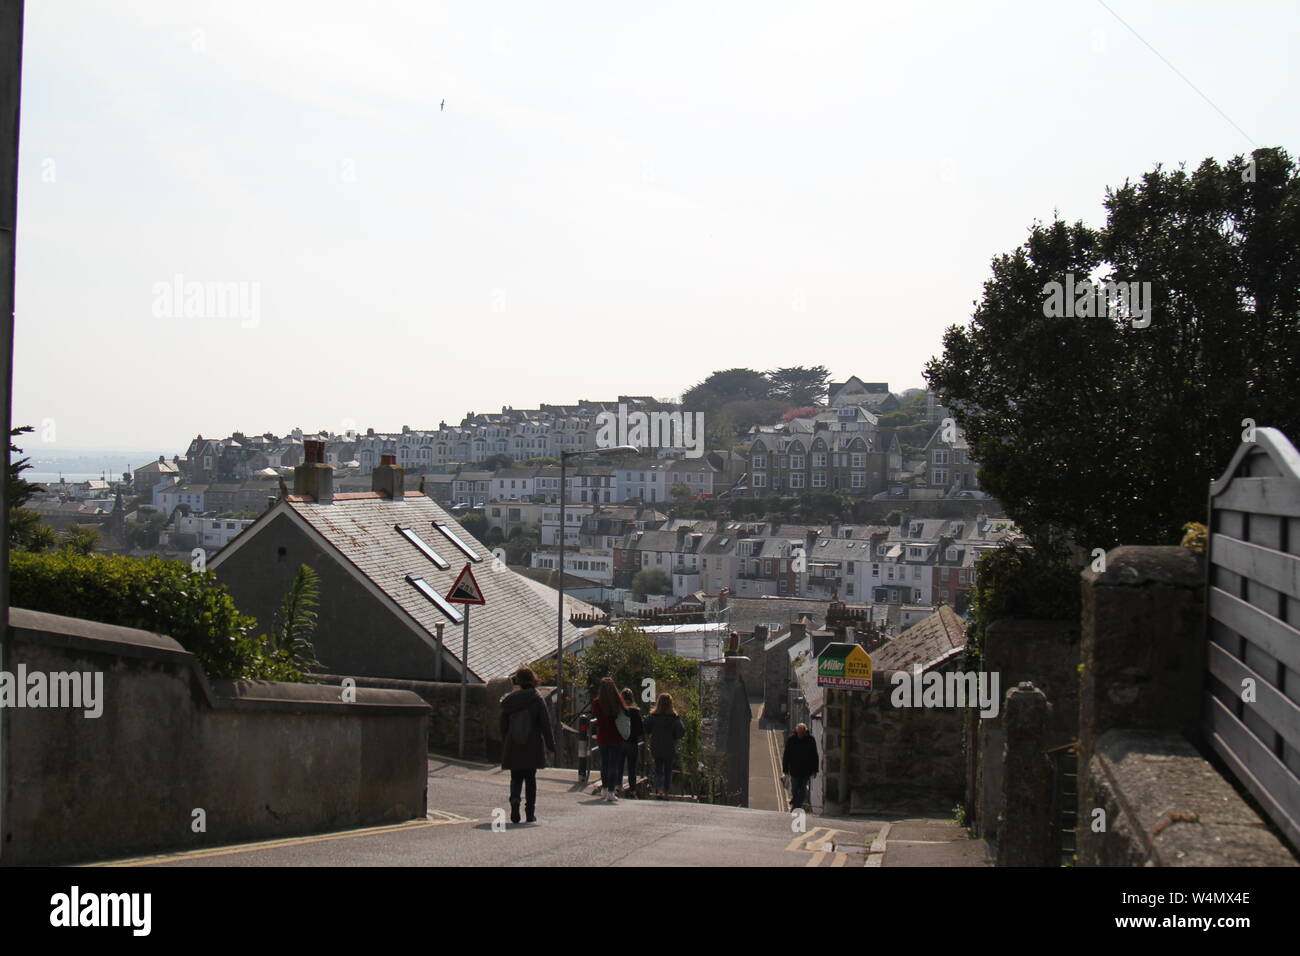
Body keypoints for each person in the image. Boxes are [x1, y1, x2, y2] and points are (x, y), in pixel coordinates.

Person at [498, 667, 556, 823]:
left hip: (513, 744)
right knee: (530, 779)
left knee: (515, 777)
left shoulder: (510, 700)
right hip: (532, 744)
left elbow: (503, 725)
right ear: (533, 680)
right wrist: (551, 746)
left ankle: (515, 800)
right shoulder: (537, 699)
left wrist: (505, 740)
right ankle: (530, 812)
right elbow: (546, 725)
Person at [590, 677, 629, 802]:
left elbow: (595, 715)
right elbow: (626, 713)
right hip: (616, 736)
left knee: (605, 764)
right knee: (614, 765)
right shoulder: (618, 701)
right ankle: (612, 791)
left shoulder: (597, 702)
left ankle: (605, 789)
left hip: (603, 736)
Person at [643, 692, 685, 796]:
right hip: (669, 746)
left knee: (658, 769)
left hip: (656, 746)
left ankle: (659, 789)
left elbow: (646, 727)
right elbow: (681, 731)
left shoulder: (653, 716)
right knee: (668, 770)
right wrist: (674, 736)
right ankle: (666, 790)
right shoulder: (674, 717)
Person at [782, 722, 818, 811]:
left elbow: (814, 755)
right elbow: (786, 755)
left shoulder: (811, 740)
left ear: (805, 732)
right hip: (794, 770)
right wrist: (785, 769)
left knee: (802, 790)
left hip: (806, 770)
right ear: (796, 731)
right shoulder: (791, 740)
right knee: (794, 788)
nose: (800, 735)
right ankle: (795, 800)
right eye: (799, 732)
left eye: (802, 733)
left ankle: (796, 806)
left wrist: (815, 770)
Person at [620, 687, 645, 796]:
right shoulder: (636, 713)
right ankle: (632, 789)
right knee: (632, 767)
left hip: (621, 741)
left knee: (619, 765)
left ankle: (617, 786)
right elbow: (641, 730)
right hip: (633, 742)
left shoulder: (620, 711)